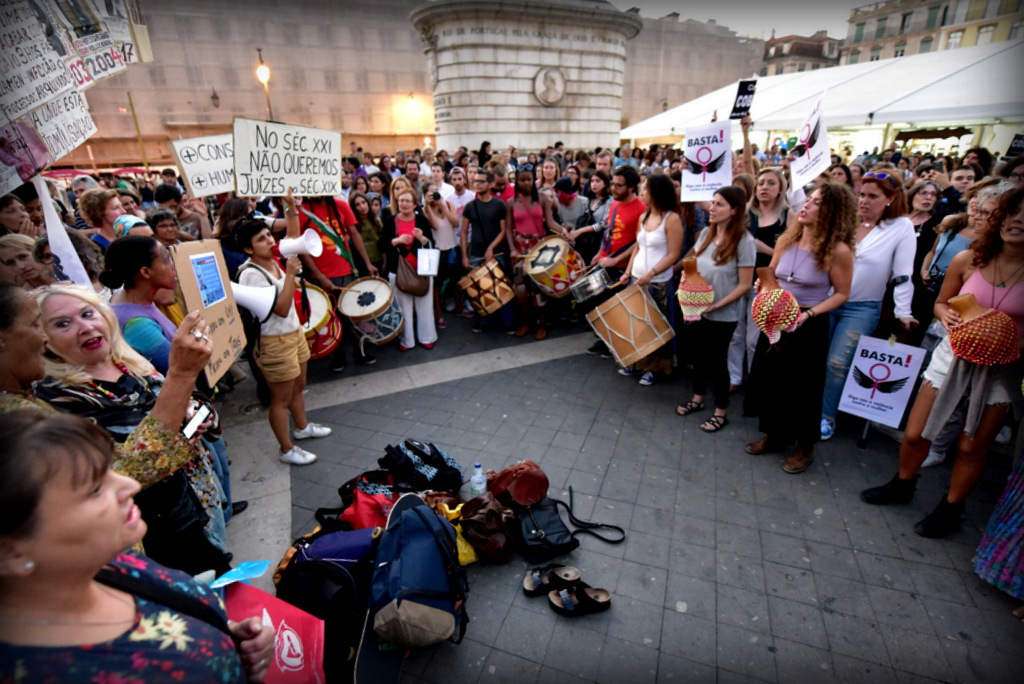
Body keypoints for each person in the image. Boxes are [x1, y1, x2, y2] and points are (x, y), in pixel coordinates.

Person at [0, 410, 274, 683]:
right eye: (94, 489)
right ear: (9, 552)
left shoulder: (107, 560)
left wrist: (228, 636)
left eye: (108, 469)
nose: (130, 485)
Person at [31, 285, 231, 574]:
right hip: (158, 531)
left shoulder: (127, 360)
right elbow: (128, 468)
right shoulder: (57, 399)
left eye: (87, 314)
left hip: (197, 500)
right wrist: (182, 373)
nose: (85, 327)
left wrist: (198, 412)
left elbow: (181, 398)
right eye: (63, 323)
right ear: (44, 339)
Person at [860, 185, 1024, 537]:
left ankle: (951, 508)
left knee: (970, 446)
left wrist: (1007, 340)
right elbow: (941, 303)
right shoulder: (968, 259)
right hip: (953, 356)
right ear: (998, 218)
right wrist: (945, 315)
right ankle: (903, 483)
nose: (1019, 220)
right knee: (916, 434)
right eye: (1012, 212)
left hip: (1002, 368)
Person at [744, 184, 856, 474]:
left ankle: (805, 446)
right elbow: (772, 275)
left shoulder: (838, 250)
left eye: (816, 202)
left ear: (832, 211)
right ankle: (774, 433)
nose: (806, 205)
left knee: (804, 387)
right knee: (772, 378)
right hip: (775, 317)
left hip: (808, 322)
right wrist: (763, 285)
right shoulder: (787, 239)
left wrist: (809, 314)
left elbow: (842, 293)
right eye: (808, 199)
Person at [233, 193, 333, 466]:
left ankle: (301, 427)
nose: (270, 241)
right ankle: (286, 449)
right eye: (261, 239)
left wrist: (290, 208)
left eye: (269, 235)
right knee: (281, 398)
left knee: (299, 386)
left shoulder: (273, 259)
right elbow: (279, 307)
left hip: (292, 333)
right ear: (248, 249)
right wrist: (289, 275)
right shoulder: (250, 274)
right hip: (274, 341)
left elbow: (293, 237)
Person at [819, 171, 917, 441]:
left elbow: (903, 274)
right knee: (816, 358)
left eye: (873, 196)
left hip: (861, 308)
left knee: (837, 363)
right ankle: (806, 408)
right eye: (861, 194)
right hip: (826, 300)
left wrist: (904, 312)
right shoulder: (847, 221)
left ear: (890, 198)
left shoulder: (901, 227)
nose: (864, 201)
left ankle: (826, 416)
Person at [677, 186, 755, 429]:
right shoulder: (705, 234)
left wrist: (715, 305)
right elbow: (695, 266)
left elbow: (744, 285)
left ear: (734, 210)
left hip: (723, 314)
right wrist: (686, 279)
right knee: (699, 357)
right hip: (697, 309)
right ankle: (697, 399)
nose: (712, 208)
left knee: (718, 362)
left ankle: (721, 411)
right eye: (713, 202)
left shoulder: (744, 241)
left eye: (719, 204)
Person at [611, 173, 683, 386]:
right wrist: (628, 272)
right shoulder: (644, 216)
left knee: (655, 325)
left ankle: (655, 367)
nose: (641, 192)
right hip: (636, 278)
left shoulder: (672, 219)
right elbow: (637, 246)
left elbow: (674, 254)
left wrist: (651, 273)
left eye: (645, 189)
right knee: (636, 323)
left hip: (657, 282)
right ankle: (635, 362)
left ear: (656, 192)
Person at [298, 195, 378, 372]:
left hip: (347, 270)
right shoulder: (301, 210)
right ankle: (337, 353)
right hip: (321, 275)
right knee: (330, 317)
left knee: (353, 315)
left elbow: (354, 234)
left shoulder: (341, 205)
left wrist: (367, 263)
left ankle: (360, 349)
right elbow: (302, 248)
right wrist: (319, 276)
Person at [730, 168, 790, 391]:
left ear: (781, 188)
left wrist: (765, 249)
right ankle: (734, 377)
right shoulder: (746, 213)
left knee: (755, 338)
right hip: (739, 279)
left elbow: (792, 254)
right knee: (735, 334)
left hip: (766, 284)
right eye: (761, 183)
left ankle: (755, 381)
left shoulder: (788, 216)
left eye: (771, 183)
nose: (765, 187)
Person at [586, 165, 646, 357]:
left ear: (631, 187)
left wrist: (616, 260)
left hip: (620, 267)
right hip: (605, 261)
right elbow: (608, 231)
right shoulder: (614, 204)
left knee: (615, 307)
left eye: (619, 186)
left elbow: (638, 242)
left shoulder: (641, 209)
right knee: (599, 302)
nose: (614, 189)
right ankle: (604, 339)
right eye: (613, 184)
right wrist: (599, 253)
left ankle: (614, 344)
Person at [506, 169, 569, 340]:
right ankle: (526, 323)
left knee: (540, 287)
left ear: (534, 180)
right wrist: (512, 249)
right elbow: (508, 229)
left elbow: (550, 222)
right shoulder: (511, 202)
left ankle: (542, 325)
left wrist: (563, 231)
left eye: (529, 179)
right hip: (519, 249)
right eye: (522, 180)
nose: (526, 183)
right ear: (517, 182)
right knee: (521, 289)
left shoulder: (542, 199)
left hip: (539, 248)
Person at [380, 188, 437, 350]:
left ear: (414, 204)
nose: (404, 204)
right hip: (399, 271)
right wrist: (396, 241)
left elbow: (431, 243)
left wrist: (422, 238)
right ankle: (407, 340)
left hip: (422, 270)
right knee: (403, 308)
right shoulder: (391, 220)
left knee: (425, 306)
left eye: (408, 201)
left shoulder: (422, 220)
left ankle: (426, 337)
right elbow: (382, 244)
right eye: (401, 201)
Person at [461, 169, 513, 333]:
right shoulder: (470, 206)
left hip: (496, 254)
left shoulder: (499, 205)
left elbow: (503, 230)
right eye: (475, 181)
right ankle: (484, 321)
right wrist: (464, 256)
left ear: (490, 184)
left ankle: (508, 322)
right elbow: (464, 232)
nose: (477, 184)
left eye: (481, 181)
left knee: (501, 289)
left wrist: (491, 248)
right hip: (476, 253)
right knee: (479, 290)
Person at [567, 168, 612, 265]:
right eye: (592, 181)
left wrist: (581, 231)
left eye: (598, 181)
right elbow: (581, 219)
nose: (594, 184)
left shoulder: (609, 201)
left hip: (598, 242)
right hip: (584, 242)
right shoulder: (589, 200)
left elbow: (604, 224)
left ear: (605, 183)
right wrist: (574, 232)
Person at [350, 191, 384, 274]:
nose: (362, 206)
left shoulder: (376, 220)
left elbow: (382, 241)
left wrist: (385, 261)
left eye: (363, 202)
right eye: (357, 205)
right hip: (361, 262)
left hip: (378, 259)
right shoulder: (353, 224)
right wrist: (367, 263)